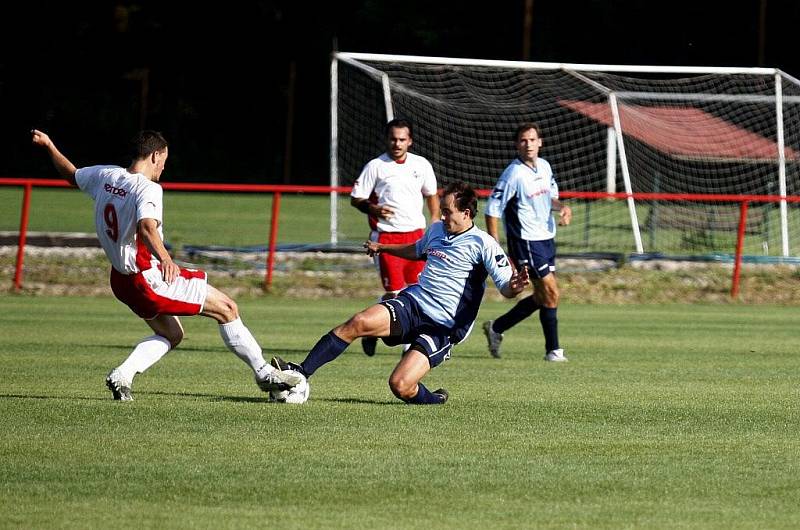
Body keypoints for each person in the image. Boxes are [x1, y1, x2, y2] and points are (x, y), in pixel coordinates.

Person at [31, 129, 301, 401]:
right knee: (227, 308)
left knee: (171, 334)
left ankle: (122, 375)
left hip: (121, 281)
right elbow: (147, 228)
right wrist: (166, 259)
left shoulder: (106, 176)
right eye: (164, 159)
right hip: (148, 277)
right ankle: (264, 373)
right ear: (154, 155)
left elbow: (71, 175)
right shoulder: (148, 188)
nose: (164, 166)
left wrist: (50, 146)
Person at [272, 182, 529, 404]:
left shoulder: (484, 244)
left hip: (443, 327)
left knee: (400, 385)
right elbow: (416, 250)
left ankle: (434, 399)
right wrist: (384, 247)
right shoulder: (437, 230)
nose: (442, 217)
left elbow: (506, 286)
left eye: (448, 212)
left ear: (466, 213)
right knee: (358, 322)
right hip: (413, 303)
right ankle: (300, 372)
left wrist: (514, 286)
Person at [482, 122, 572, 361]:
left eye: (532, 140)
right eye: (523, 140)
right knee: (552, 291)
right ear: (516, 145)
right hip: (526, 241)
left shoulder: (544, 166)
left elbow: (551, 197)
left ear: (540, 142)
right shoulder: (513, 174)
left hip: (546, 238)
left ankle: (497, 328)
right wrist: (495, 247)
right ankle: (553, 351)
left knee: (544, 297)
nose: (528, 144)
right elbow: (492, 210)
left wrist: (562, 207)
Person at [350, 118, 440, 357]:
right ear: (387, 139)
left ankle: (408, 344)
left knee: (418, 292)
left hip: (416, 238)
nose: (397, 143)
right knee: (395, 294)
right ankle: (372, 331)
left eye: (402, 139)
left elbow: (431, 195)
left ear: (409, 141)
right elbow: (356, 198)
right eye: (393, 138)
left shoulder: (421, 165)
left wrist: (434, 221)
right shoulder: (376, 166)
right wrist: (373, 209)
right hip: (387, 239)